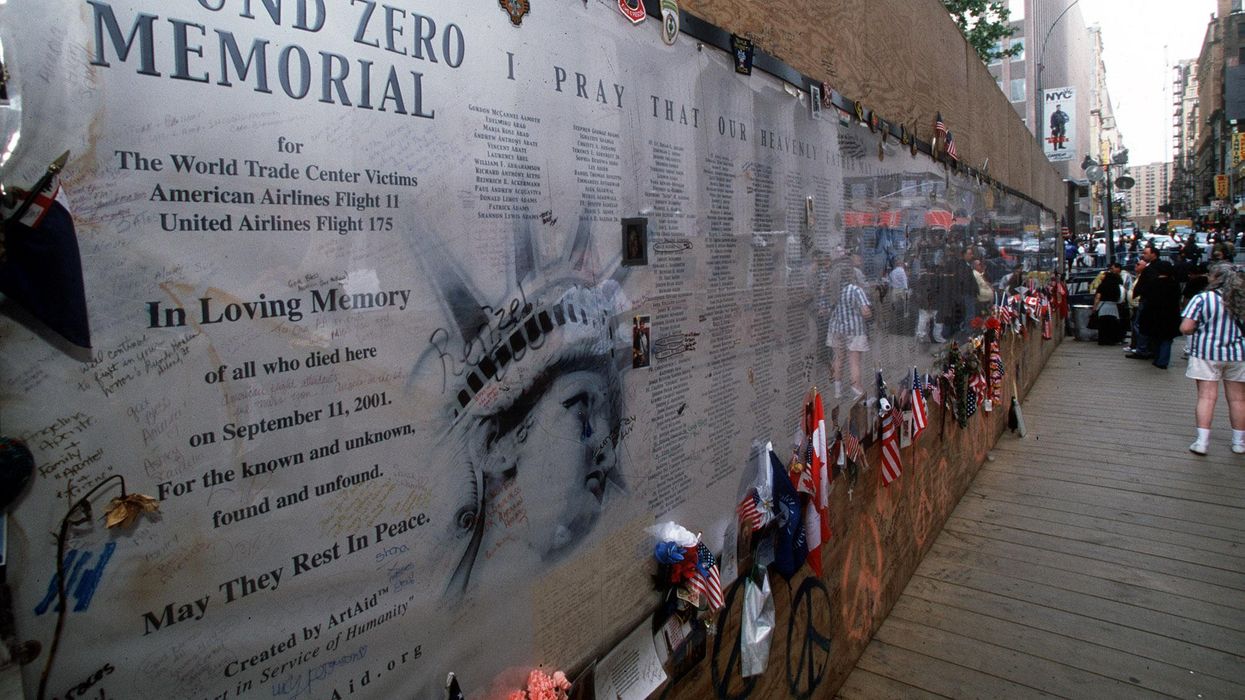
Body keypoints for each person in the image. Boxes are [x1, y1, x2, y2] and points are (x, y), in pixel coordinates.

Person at [1180, 263, 1245, 454]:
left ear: (1214, 278)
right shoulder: (1242, 299)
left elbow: (1186, 327)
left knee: (1207, 397)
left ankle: (1202, 442)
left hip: (1206, 352)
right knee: (1238, 400)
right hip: (1238, 353)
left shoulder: (1202, 299)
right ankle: (1239, 442)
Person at [827, 260, 873, 401]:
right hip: (854, 330)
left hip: (836, 329)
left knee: (838, 359)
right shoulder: (855, 290)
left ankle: (838, 391)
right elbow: (866, 312)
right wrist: (868, 313)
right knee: (854, 362)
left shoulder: (833, 290)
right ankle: (858, 391)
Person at [1140, 261, 1182, 368]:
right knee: (1167, 339)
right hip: (1170, 316)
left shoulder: (1152, 283)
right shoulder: (1174, 284)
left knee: (1156, 338)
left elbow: (1146, 296)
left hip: (1154, 315)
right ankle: (1163, 361)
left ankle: (1158, 358)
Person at [1093, 267, 1125, 345]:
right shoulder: (1116, 286)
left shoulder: (1102, 285)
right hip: (1113, 307)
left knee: (1103, 324)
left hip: (1103, 306)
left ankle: (1103, 340)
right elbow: (1120, 298)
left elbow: (1098, 297)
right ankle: (1112, 340)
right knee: (1112, 324)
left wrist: (1095, 307)